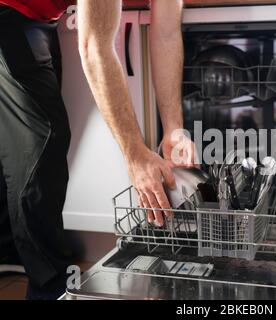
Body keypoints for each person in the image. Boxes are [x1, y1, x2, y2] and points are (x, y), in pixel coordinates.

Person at [0, 0, 194, 299]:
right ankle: (51, 289)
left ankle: (8, 251)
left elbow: (167, 32)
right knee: (42, 144)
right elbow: (96, 48)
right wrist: (135, 154)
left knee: (18, 141)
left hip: (38, 15)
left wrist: (174, 129)